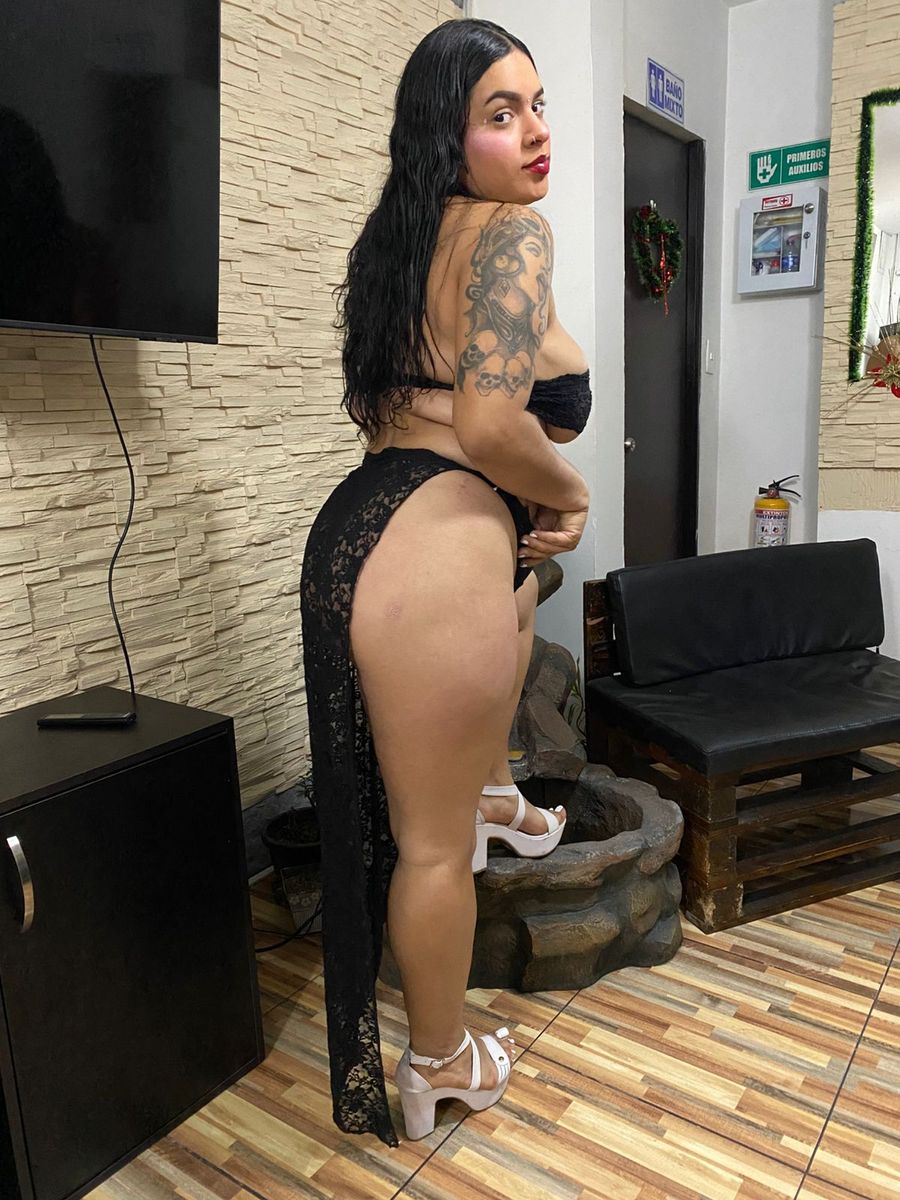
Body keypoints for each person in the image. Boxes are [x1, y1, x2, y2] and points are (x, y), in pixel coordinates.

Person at [299, 17, 592, 1146]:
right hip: (439, 544)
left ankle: (494, 796)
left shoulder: (402, 241)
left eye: (537, 104)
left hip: (364, 527)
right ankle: (438, 1064)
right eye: (500, 113)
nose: (535, 132)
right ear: (448, 135)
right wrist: (569, 494)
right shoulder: (514, 234)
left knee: (436, 809)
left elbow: (401, 404)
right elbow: (490, 421)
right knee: (430, 851)